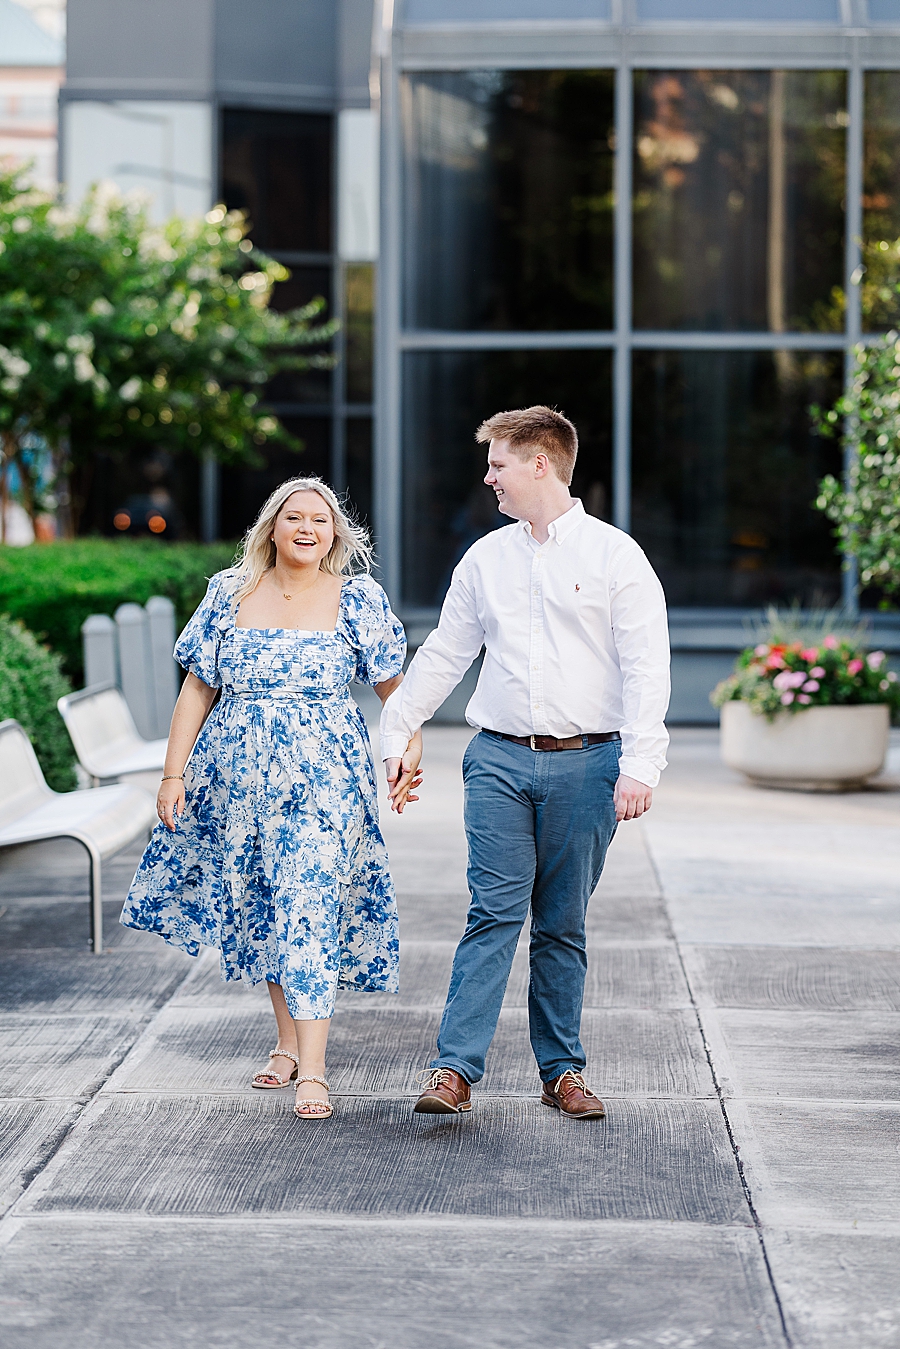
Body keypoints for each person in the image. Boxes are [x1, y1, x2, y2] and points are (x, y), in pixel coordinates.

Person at [382, 407, 670, 1119]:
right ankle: (454, 1069)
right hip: (499, 763)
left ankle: (562, 1070)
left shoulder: (615, 556)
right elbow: (445, 654)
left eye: (499, 464)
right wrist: (398, 731)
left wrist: (642, 764)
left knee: (562, 924)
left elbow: (645, 668)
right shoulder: (485, 559)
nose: (489, 477)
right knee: (493, 914)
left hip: (590, 766)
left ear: (541, 462)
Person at [121, 476, 421, 1121]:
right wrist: (173, 776)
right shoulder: (229, 593)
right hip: (237, 778)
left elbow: (398, 692)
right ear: (272, 528)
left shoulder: (357, 598)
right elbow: (197, 691)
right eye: (293, 518)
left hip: (323, 780)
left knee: (309, 900)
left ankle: (313, 1068)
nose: (307, 528)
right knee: (265, 903)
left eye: (320, 519)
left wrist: (407, 749)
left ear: (335, 533)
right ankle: (287, 1043)